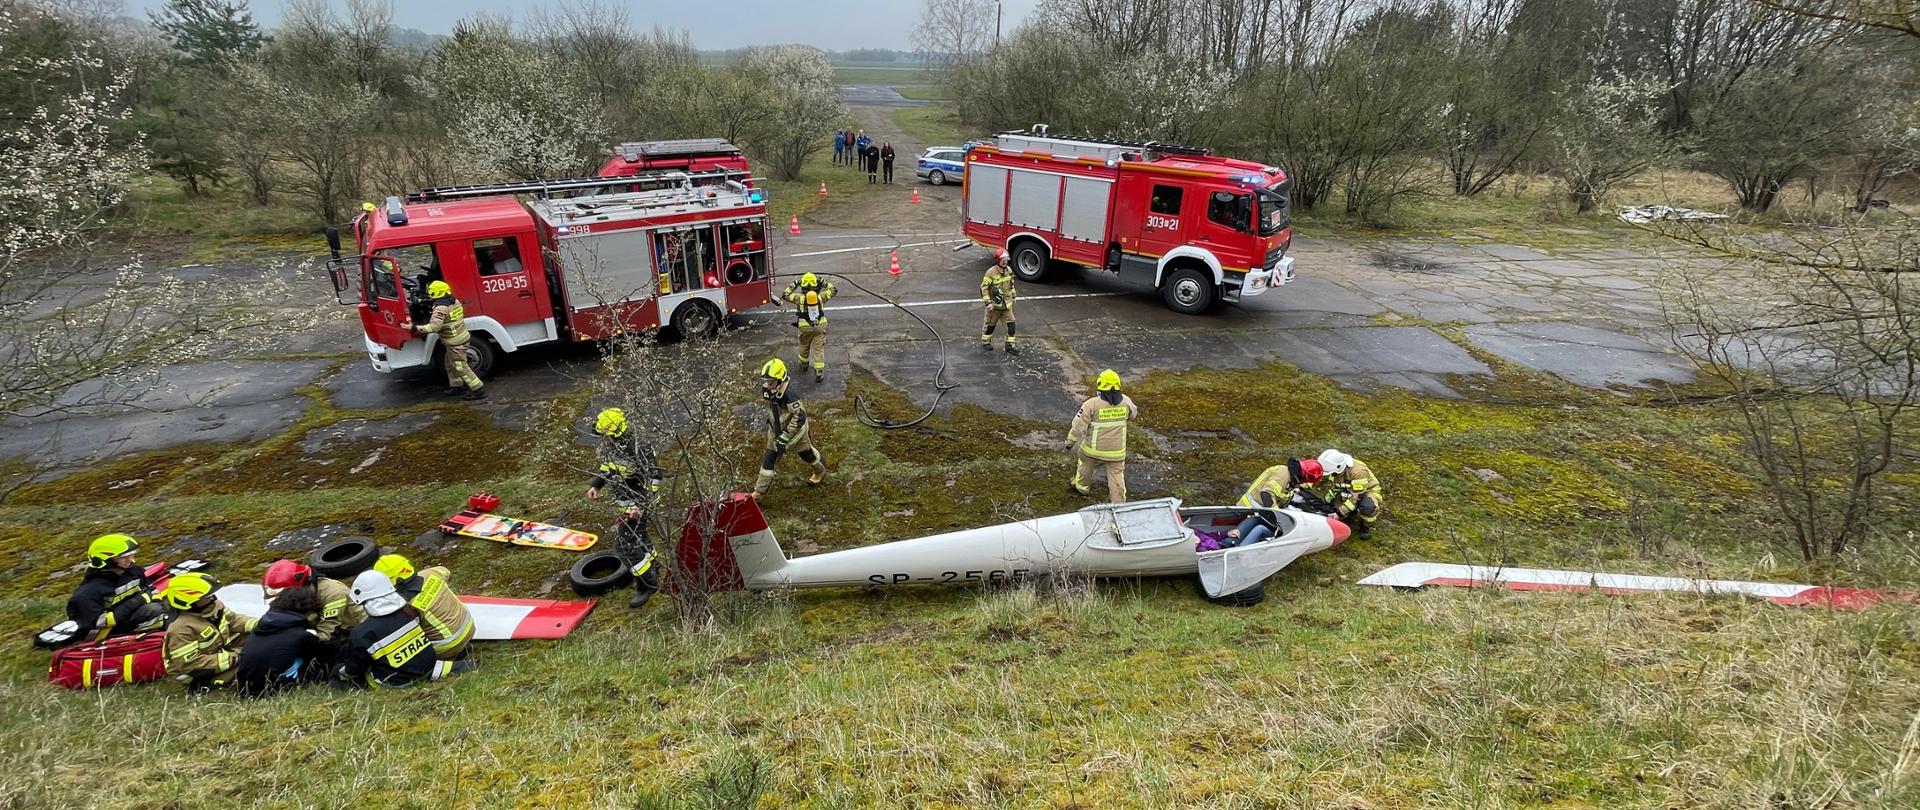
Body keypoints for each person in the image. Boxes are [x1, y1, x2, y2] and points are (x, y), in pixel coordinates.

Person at [337, 570, 475, 689]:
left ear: (362, 600)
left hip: (396, 683)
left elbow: (354, 669)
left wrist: (341, 673)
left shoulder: (361, 634)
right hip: (428, 665)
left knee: (340, 673)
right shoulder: (409, 613)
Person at [588, 407, 666, 608]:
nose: (602, 438)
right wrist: (596, 485)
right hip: (628, 505)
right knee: (639, 536)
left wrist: (639, 505)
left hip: (638, 505)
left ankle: (647, 584)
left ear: (613, 433)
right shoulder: (615, 446)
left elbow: (655, 475)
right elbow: (608, 467)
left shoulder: (637, 447)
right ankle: (653, 565)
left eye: (604, 434)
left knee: (625, 546)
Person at [159, 572, 256, 693]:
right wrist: (236, 657)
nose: (213, 599)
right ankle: (206, 684)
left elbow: (235, 621)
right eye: (206, 597)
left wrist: (262, 625)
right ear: (189, 602)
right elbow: (191, 665)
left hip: (220, 649)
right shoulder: (180, 629)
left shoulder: (214, 607)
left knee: (259, 637)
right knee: (250, 664)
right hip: (195, 672)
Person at [233, 587, 338, 697]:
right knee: (324, 653)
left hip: (244, 687)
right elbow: (326, 651)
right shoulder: (300, 636)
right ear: (306, 609)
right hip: (274, 689)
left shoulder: (259, 629)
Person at [66, 533, 166, 642]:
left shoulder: (134, 572)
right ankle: (151, 640)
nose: (131, 560)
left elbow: (151, 589)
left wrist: (156, 600)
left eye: (131, 555)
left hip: (130, 619)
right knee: (154, 610)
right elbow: (99, 623)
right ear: (105, 560)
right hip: (105, 635)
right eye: (123, 557)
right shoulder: (86, 594)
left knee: (165, 607)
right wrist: (138, 601)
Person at [373, 554, 474, 661]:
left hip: (447, 646)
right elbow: (446, 572)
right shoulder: (430, 573)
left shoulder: (404, 605)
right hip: (470, 626)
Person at [752, 359, 826, 498]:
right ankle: (759, 492)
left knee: (806, 454)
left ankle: (820, 470)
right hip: (776, 431)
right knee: (769, 460)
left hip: (795, 433)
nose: (767, 384)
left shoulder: (789, 395)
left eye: (771, 382)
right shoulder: (768, 389)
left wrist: (787, 434)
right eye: (767, 381)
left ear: (780, 380)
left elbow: (799, 416)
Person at [1067, 370, 1138, 503]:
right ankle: (1118, 503)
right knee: (1117, 475)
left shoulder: (1091, 404)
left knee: (1085, 464)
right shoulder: (1126, 402)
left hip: (1091, 449)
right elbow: (1133, 415)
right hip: (1116, 451)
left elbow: (1078, 427)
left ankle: (1082, 487)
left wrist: (1069, 442)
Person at [1227, 458, 1325, 546]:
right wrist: (1278, 517)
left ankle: (1233, 542)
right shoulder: (1283, 474)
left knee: (1257, 524)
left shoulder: (1291, 478)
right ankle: (1235, 547)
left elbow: (1283, 496)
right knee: (1261, 528)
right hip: (1249, 509)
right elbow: (1267, 494)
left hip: (1258, 511)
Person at [262, 559, 363, 643]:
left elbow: (328, 632)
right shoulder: (298, 598)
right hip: (334, 632)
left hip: (355, 632)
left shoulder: (332, 592)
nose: (282, 602)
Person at [415, 280, 485, 400]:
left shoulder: (440, 308)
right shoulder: (454, 301)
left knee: (461, 367)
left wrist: (415, 328)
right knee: (450, 364)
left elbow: (434, 327)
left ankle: (478, 390)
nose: (430, 296)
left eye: (431, 293)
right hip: (460, 337)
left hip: (455, 343)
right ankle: (457, 387)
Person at [1316, 449, 1383, 540]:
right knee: (1331, 511)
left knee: (1368, 507)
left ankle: (1365, 526)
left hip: (1365, 492)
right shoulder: (1333, 468)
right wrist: (1301, 485)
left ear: (1339, 468)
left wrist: (1340, 512)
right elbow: (1318, 479)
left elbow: (1357, 497)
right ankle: (1350, 512)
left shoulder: (1358, 472)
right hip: (1345, 491)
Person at [782, 272, 837, 382]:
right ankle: (819, 372)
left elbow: (785, 295)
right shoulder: (821, 297)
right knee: (818, 349)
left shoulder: (799, 298)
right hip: (819, 326)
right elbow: (834, 290)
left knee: (804, 346)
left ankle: (803, 366)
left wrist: (795, 283)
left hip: (804, 327)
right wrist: (823, 282)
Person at [980, 250, 1018, 355]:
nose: (1005, 262)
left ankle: (1010, 346)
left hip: (1006, 305)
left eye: (1006, 260)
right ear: (998, 260)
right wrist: (988, 303)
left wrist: (1014, 296)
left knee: (1011, 325)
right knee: (990, 325)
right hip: (995, 307)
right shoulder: (990, 273)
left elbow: (1011, 285)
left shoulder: (1009, 270)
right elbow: (984, 288)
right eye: (1002, 260)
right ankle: (986, 341)